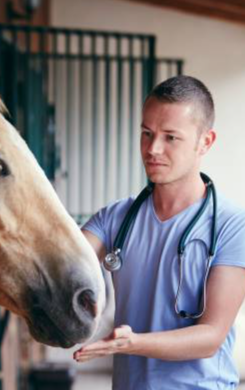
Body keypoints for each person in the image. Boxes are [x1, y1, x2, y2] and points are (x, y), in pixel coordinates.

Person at [74, 75, 245, 389]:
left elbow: (210, 336)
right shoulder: (114, 218)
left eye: (170, 137)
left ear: (205, 142)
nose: (153, 149)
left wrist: (132, 343)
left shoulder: (233, 225)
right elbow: (66, 261)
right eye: (146, 133)